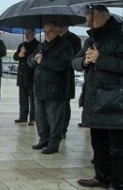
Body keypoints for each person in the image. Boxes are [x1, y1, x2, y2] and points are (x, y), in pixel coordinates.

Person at [74, 5, 123, 190]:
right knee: (98, 142)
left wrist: (100, 59)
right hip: (94, 100)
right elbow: (75, 62)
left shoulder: (122, 39)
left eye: (90, 17)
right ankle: (101, 176)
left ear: (103, 17)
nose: (87, 21)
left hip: (114, 101)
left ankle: (119, 185)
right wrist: (85, 61)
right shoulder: (91, 40)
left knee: (117, 147)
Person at [28, 22, 73, 154]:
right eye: (45, 31)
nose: (47, 34)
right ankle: (43, 139)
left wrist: (43, 61)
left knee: (55, 117)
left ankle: (54, 143)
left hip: (55, 88)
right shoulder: (41, 46)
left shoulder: (65, 47)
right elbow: (30, 60)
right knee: (40, 116)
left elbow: (62, 64)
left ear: (57, 31)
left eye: (50, 31)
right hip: (40, 86)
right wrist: (34, 60)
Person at [59, 25, 82, 139]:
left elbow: (77, 56)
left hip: (67, 74)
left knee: (65, 104)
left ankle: (63, 129)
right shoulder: (54, 38)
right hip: (54, 76)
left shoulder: (74, 39)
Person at [13, 29, 39, 125]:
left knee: (32, 98)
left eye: (29, 34)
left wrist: (26, 53)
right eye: (25, 34)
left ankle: (33, 117)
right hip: (22, 74)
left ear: (33, 34)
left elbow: (35, 57)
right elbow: (15, 57)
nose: (27, 36)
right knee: (22, 97)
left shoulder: (37, 45)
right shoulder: (22, 45)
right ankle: (23, 116)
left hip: (32, 75)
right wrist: (20, 54)